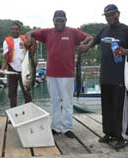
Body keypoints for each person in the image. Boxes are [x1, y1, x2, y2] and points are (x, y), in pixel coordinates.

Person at [79, 4, 128, 149]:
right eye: (106, 15)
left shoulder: (127, 30)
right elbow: (95, 41)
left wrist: (125, 51)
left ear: (118, 14)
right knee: (107, 107)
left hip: (121, 77)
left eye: (111, 14)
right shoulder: (104, 30)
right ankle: (109, 133)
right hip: (105, 76)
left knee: (120, 107)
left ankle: (123, 136)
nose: (109, 17)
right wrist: (86, 48)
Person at [26, 10, 92, 138]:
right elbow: (30, 33)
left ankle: (67, 127)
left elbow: (89, 37)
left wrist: (85, 45)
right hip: (51, 73)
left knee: (67, 102)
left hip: (67, 73)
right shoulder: (47, 32)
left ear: (66, 20)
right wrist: (28, 39)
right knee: (54, 101)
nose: (59, 22)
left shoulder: (73, 32)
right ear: (53, 21)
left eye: (62, 20)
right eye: (57, 20)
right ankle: (56, 127)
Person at [1, 22, 35, 108]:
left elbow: (32, 50)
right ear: (10, 30)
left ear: (19, 30)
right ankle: (14, 113)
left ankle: (29, 111)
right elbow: (5, 58)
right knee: (12, 94)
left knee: (26, 92)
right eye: (12, 29)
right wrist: (2, 69)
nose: (14, 31)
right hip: (12, 69)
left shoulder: (24, 39)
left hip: (25, 70)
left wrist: (33, 42)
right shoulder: (6, 41)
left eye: (16, 29)